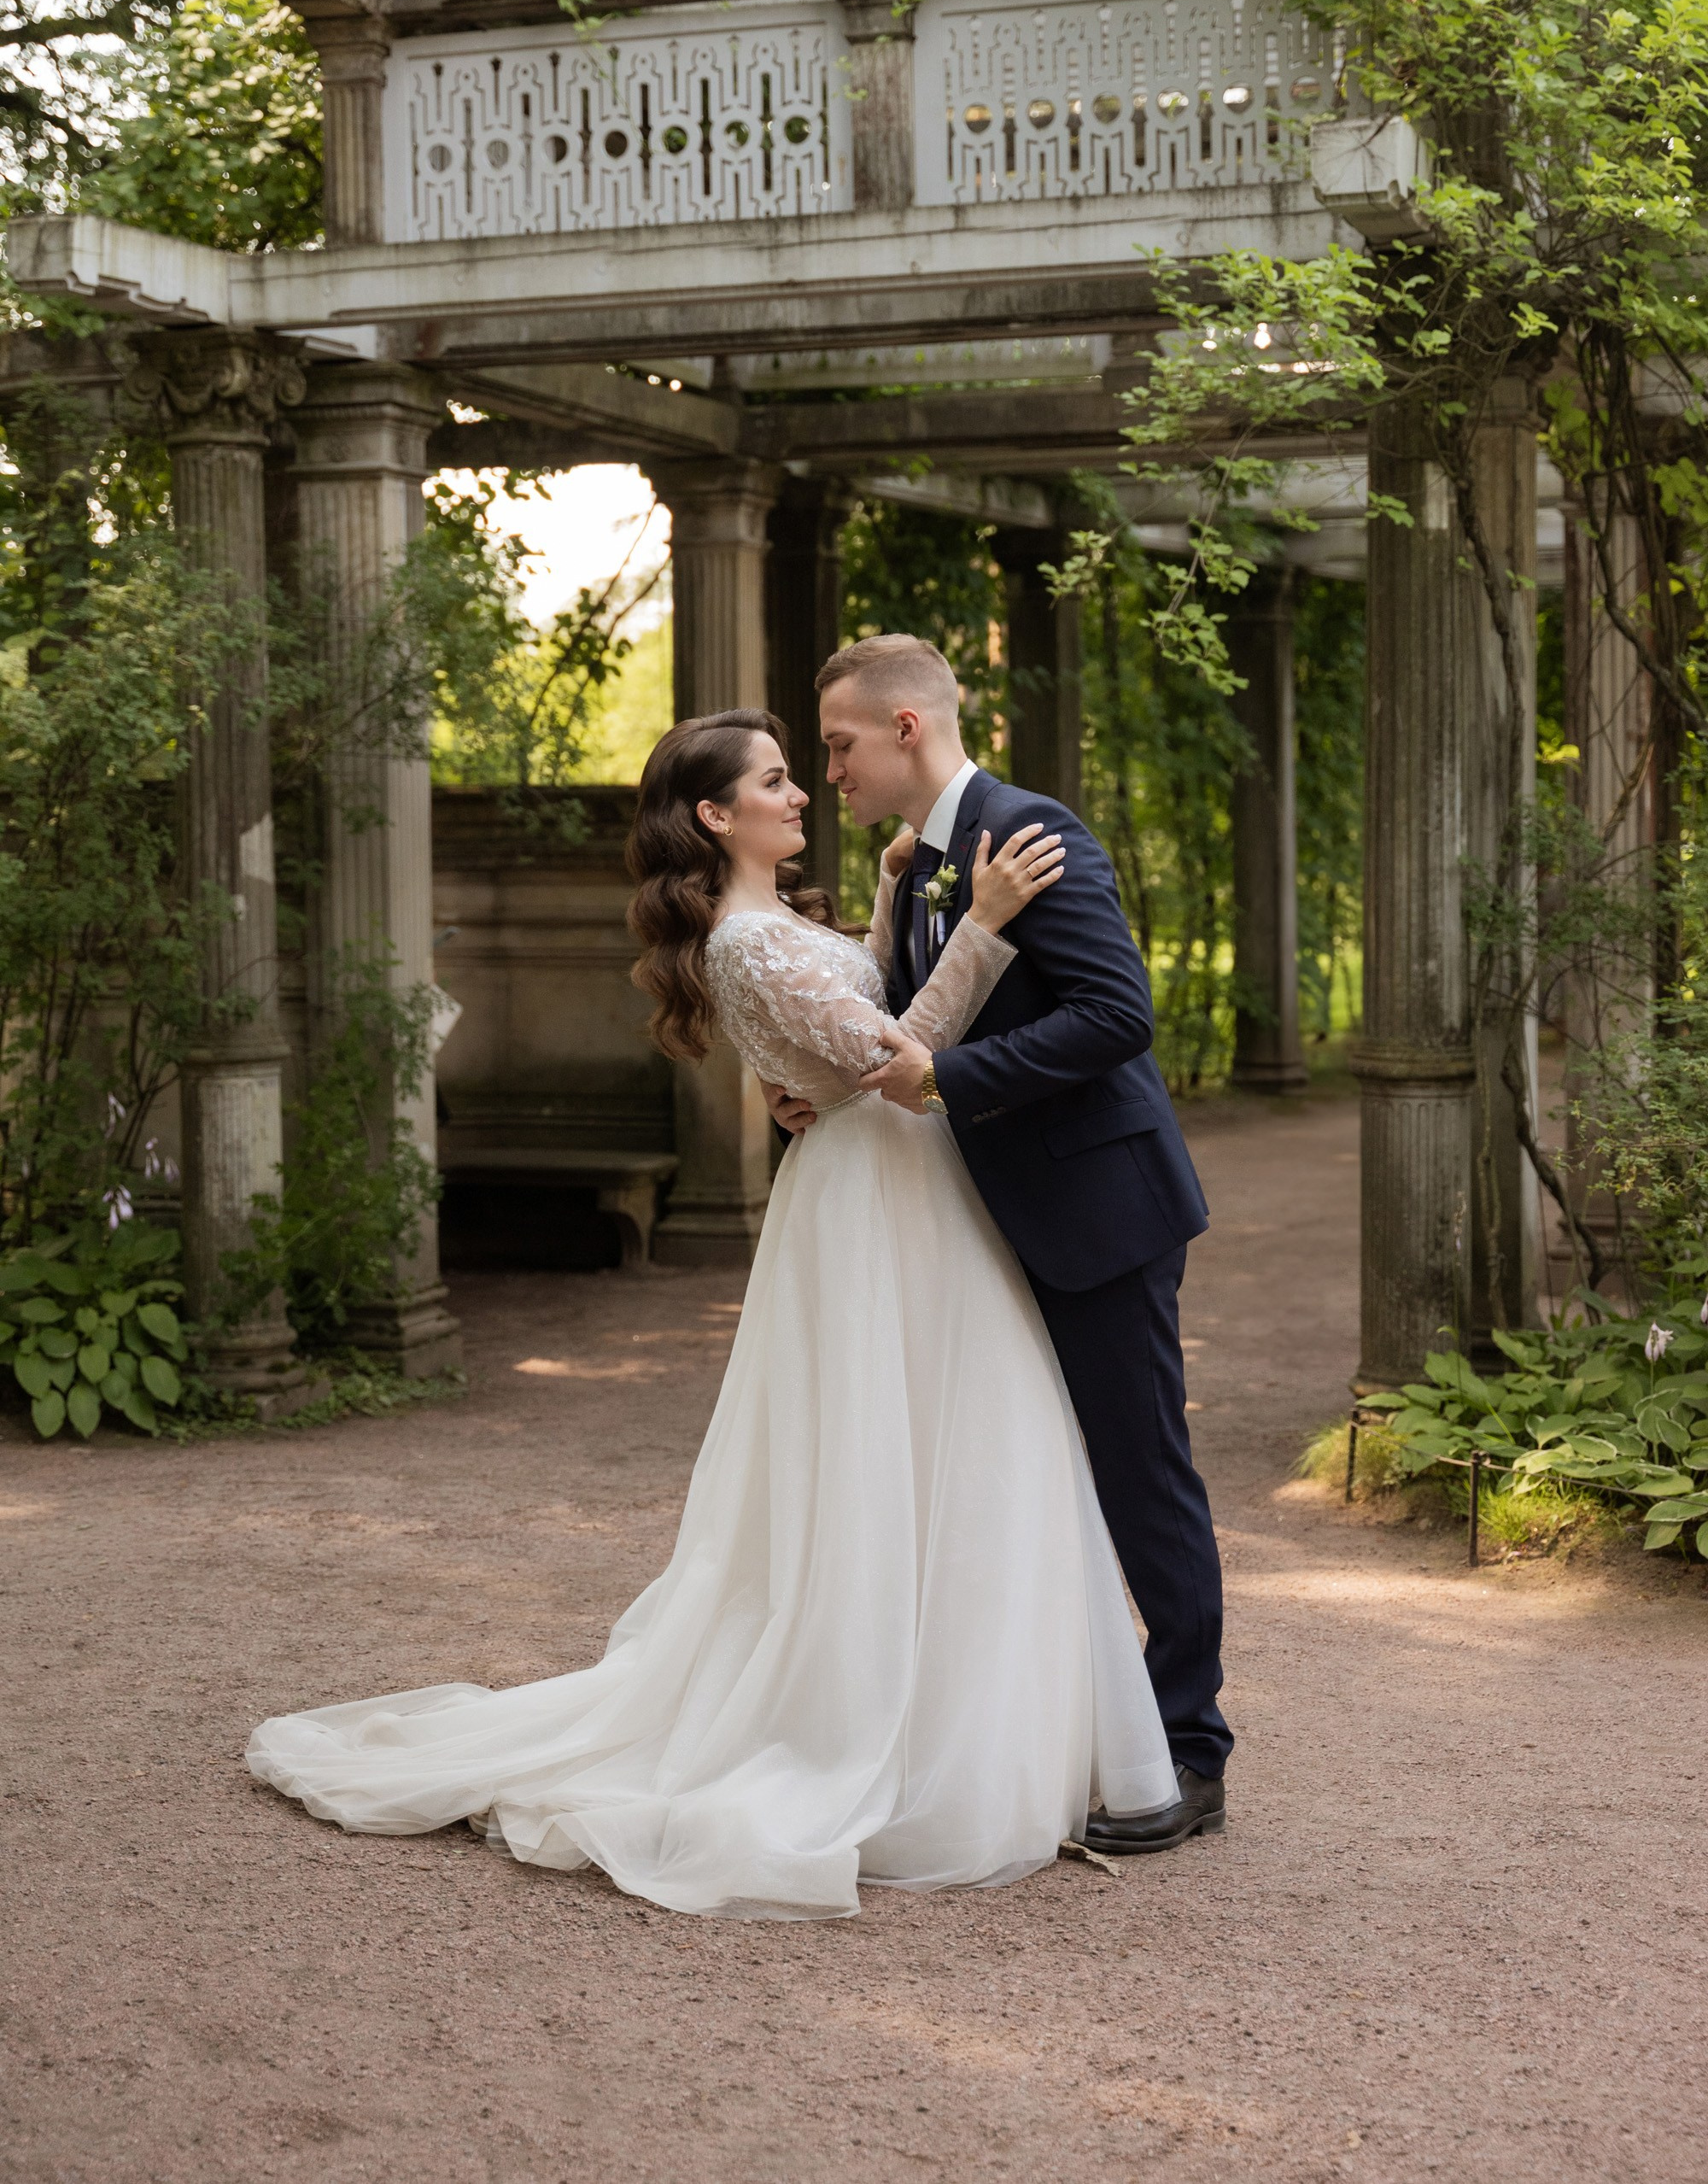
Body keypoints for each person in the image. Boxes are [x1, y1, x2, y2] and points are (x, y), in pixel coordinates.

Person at [245, 706, 1179, 1919]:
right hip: (875, 1201)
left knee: (959, 1444)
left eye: (808, 773)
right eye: (781, 781)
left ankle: (986, 1721)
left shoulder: (778, 922)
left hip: (900, 1184)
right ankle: (881, 1731)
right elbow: (898, 1054)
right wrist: (986, 930)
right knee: (893, 1453)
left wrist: (897, 909)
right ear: (715, 814)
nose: (807, 795)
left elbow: (855, 1035)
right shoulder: (742, 942)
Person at [786, 635, 1231, 1857]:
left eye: (839, 745)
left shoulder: (1030, 832)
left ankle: (1191, 1754)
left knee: (1141, 1474)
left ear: (908, 730)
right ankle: (1067, 1728)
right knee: (1029, 1480)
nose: (829, 771)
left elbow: (1117, 1014)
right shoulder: (922, 862)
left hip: (1099, 1213)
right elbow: (912, 1011)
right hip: (996, 1217)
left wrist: (947, 1079)